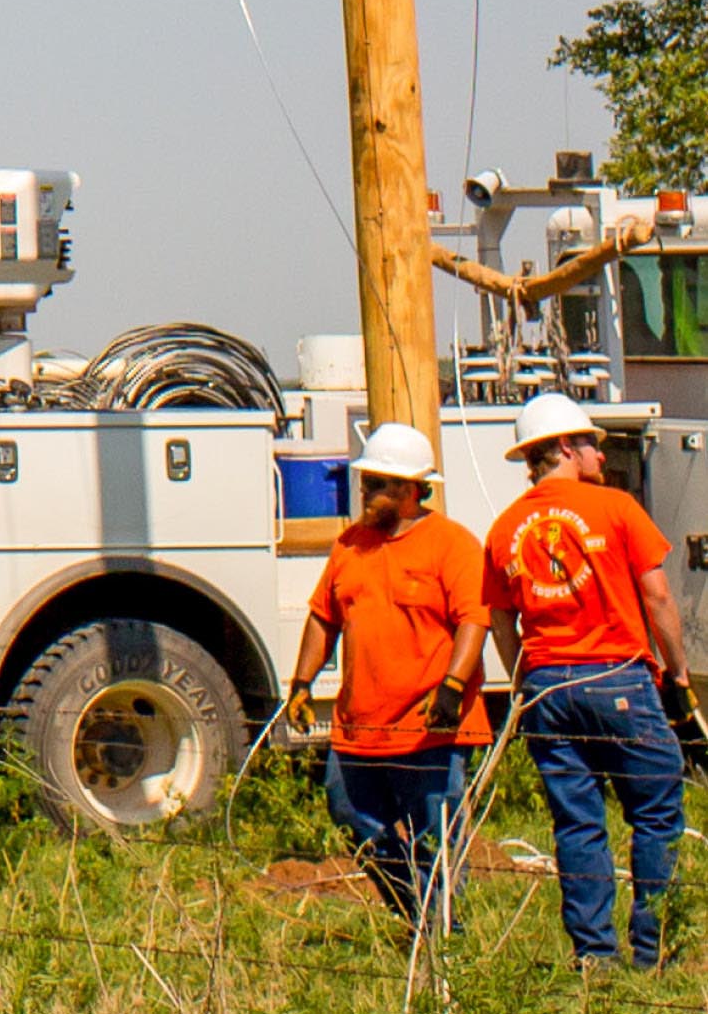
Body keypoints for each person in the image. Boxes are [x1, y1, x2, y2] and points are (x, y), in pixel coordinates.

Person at [487, 391, 690, 970]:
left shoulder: (506, 527)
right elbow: (657, 595)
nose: (600, 454)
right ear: (565, 449)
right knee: (655, 812)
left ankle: (594, 956)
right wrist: (676, 672)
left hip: (547, 686)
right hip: (618, 676)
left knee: (578, 824)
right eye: (592, 444)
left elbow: (502, 621)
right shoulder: (616, 509)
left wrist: (525, 681)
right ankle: (652, 951)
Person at [287, 422, 493, 930]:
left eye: (378, 483)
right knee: (350, 815)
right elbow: (322, 616)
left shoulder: (452, 544)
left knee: (436, 833)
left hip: (430, 727)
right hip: (358, 729)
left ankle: (442, 938)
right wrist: (300, 683)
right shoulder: (349, 545)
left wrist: (451, 686)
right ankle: (419, 913)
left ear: (410, 488)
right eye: (366, 482)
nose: (366, 492)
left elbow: (475, 619)